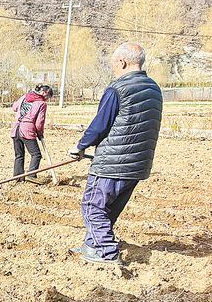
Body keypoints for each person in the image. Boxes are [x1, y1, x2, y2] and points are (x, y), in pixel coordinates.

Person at [69, 42, 162, 265]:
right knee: (109, 209)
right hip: (138, 164)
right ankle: (92, 244)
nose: (113, 68)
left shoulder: (118, 88)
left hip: (113, 163)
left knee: (93, 206)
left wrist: (80, 147)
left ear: (122, 62)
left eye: (113, 63)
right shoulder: (153, 88)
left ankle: (107, 252)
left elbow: (100, 125)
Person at [10, 84, 53, 183]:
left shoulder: (25, 96)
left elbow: (14, 108)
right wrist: (40, 133)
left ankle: (18, 177)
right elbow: (39, 122)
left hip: (16, 129)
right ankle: (31, 175)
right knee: (36, 154)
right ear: (43, 93)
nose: (47, 100)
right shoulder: (41, 103)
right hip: (27, 130)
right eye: (48, 97)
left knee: (19, 155)